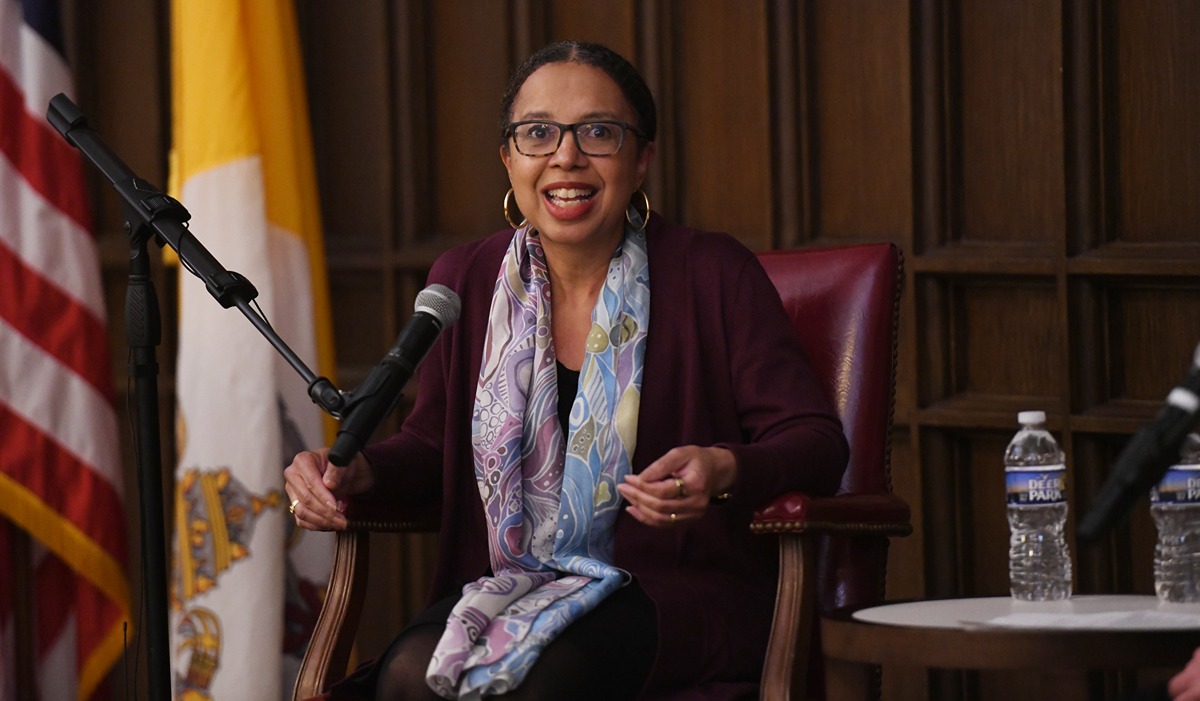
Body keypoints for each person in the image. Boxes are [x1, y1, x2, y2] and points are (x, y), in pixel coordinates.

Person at [285, 40, 848, 701]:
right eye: (538, 133)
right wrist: (361, 469)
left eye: (599, 133)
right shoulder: (466, 278)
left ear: (642, 161)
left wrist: (724, 468)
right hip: (511, 586)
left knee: (539, 681)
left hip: (674, 596)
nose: (566, 155)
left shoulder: (712, 273)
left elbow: (814, 439)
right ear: (509, 158)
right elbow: (435, 445)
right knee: (413, 674)